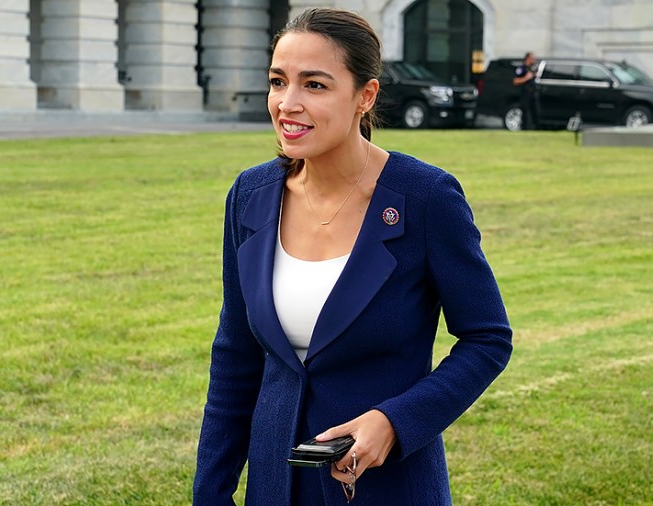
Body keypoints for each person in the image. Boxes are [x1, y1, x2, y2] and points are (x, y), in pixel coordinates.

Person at [193, 8, 512, 505]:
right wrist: (209, 493)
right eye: (278, 82)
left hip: (386, 488)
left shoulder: (425, 197)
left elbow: (487, 339)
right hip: (275, 487)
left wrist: (394, 422)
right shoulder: (250, 196)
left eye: (314, 85)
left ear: (365, 96)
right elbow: (236, 354)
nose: (287, 104)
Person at [512, 52, 539, 130]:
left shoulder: (532, 68)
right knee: (525, 112)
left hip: (533, 93)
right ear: (528, 58)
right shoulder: (521, 69)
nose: (534, 60)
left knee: (536, 111)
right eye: (533, 58)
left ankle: (536, 127)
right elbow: (515, 81)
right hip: (525, 93)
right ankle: (525, 128)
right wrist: (526, 78)